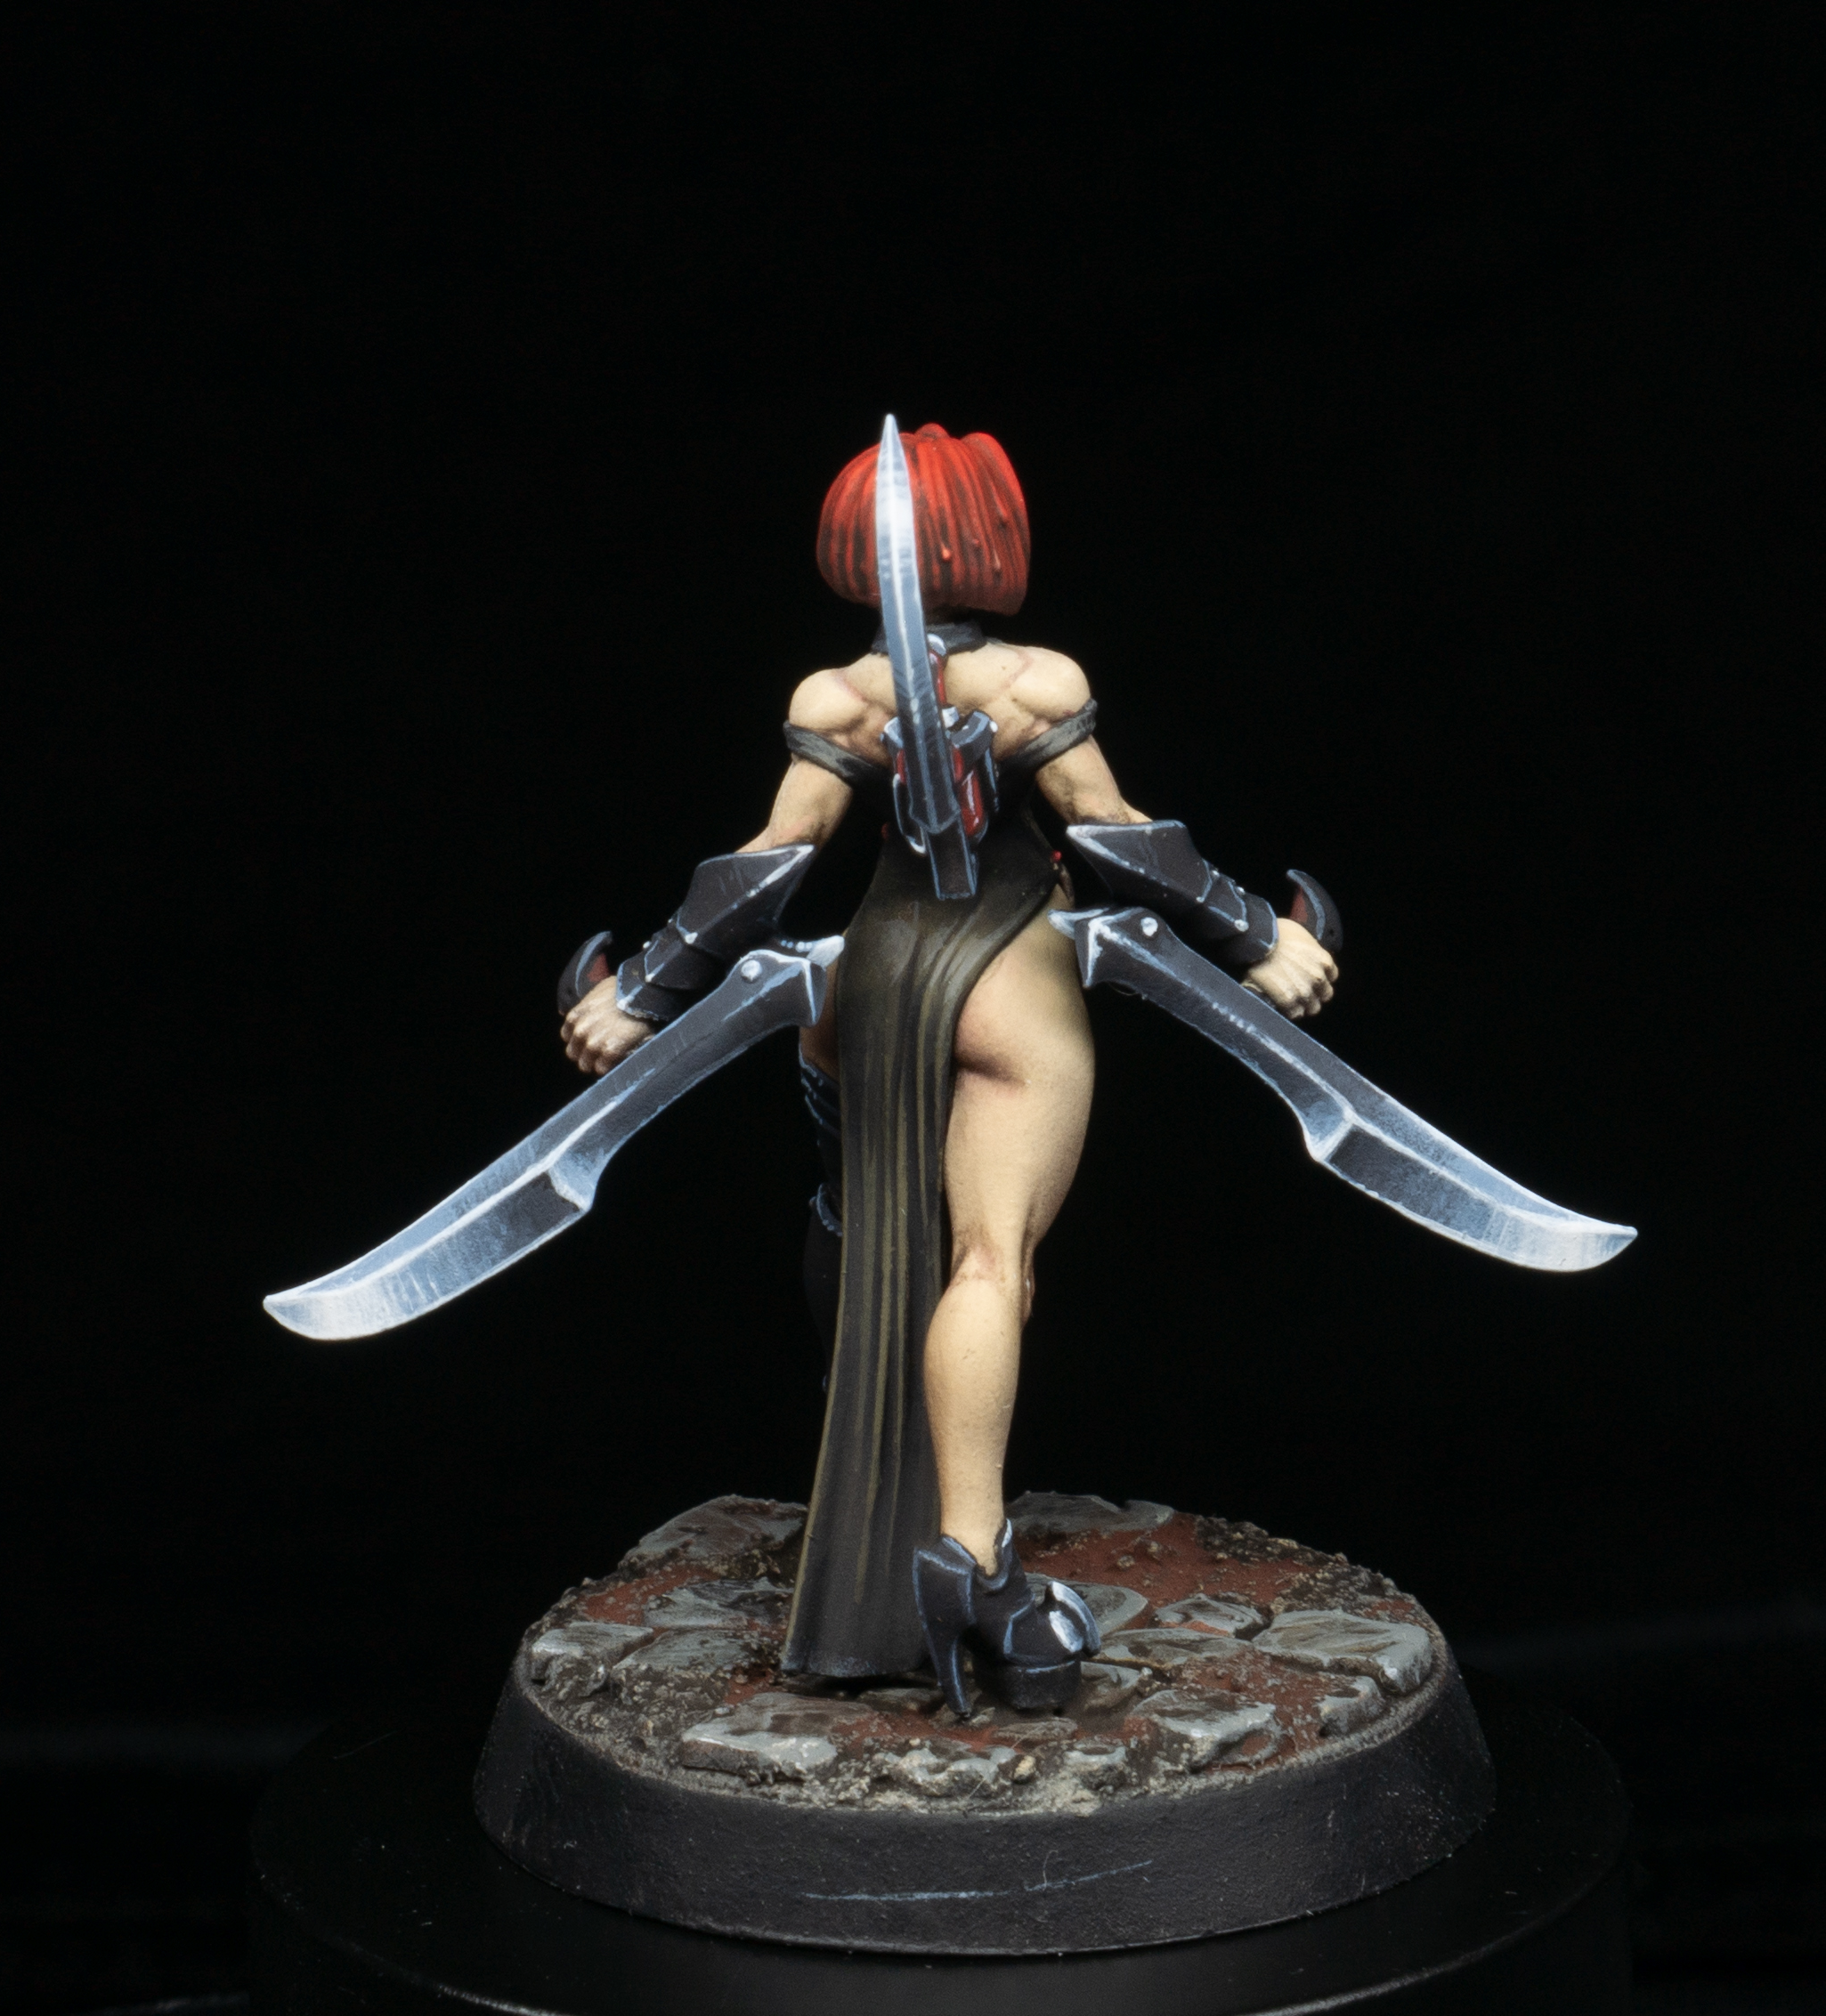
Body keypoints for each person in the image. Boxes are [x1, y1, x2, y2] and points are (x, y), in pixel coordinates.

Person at [558, 424, 1337, 1711]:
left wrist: (636, 994)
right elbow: (1113, 834)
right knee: (985, 1263)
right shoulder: (1034, 682)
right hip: (1007, 973)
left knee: (860, 1216)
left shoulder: (836, 697)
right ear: (990, 538)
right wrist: (1264, 940)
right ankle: (972, 1562)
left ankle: (864, 1460)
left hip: (871, 979)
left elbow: (769, 865)